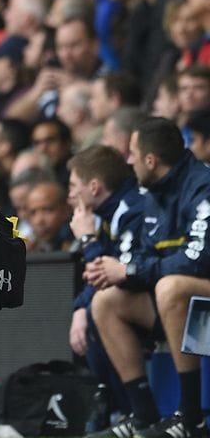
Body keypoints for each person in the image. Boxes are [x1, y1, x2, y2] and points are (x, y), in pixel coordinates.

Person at [86, 118, 210, 438]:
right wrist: (114, 269)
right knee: (107, 301)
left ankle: (191, 418)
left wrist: (130, 270)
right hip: (187, 311)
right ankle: (144, 416)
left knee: (171, 287)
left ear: (151, 161)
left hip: (198, 302)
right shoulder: (154, 193)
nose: (129, 161)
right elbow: (143, 256)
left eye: (133, 154)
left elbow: (200, 260)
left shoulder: (203, 186)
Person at [65, 145, 146, 426]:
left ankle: (130, 411)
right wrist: (78, 307)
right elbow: (102, 274)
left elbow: (110, 272)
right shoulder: (106, 214)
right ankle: (115, 407)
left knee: (97, 312)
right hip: (131, 295)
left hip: (148, 297)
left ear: (95, 187)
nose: (70, 194)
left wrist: (88, 239)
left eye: (74, 185)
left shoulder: (131, 209)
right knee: (89, 311)